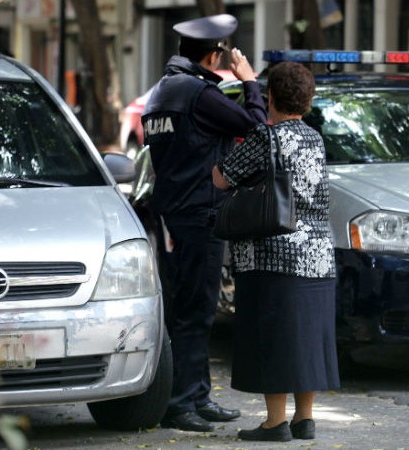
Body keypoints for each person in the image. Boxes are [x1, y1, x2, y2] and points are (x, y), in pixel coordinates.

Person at [141, 14, 267, 433]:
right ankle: (181, 403)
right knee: (195, 312)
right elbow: (254, 125)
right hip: (198, 213)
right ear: (216, 54)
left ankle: (197, 395)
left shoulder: (162, 92)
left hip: (176, 212)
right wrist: (248, 79)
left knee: (192, 308)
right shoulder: (197, 92)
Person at [212, 61, 340, 442]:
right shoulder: (315, 138)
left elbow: (222, 179)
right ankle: (305, 418)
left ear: (270, 96)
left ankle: (274, 422)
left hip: (272, 254)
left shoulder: (265, 138)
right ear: (308, 100)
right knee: (305, 336)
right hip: (317, 254)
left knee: (274, 336)